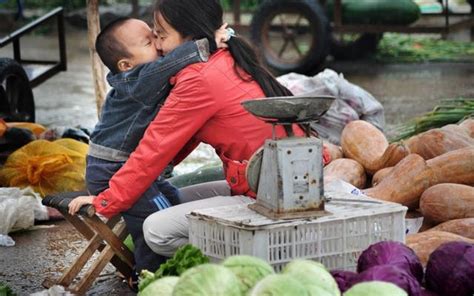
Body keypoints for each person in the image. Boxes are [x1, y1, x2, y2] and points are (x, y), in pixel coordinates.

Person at [70, 0, 330, 260]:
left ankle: (258, 255)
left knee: (156, 230)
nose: (159, 46)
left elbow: (155, 148)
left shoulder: (198, 78)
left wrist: (107, 201)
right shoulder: (225, 56)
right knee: (177, 197)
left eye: (161, 36)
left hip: (271, 200)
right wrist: (142, 178)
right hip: (279, 184)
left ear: (191, 37)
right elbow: (181, 138)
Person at [67, 16, 226, 278]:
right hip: (113, 170)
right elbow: (164, 66)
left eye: (157, 36)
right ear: (126, 64)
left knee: (173, 200)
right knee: (156, 218)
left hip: (123, 167)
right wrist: (206, 42)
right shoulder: (135, 81)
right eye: (149, 41)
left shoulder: (139, 80)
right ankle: (149, 276)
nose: (159, 44)